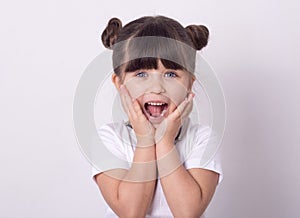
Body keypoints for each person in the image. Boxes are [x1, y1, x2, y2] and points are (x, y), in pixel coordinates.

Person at [92, 15, 223, 217]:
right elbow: (131, 212)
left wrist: (164, 140)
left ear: (189, 84)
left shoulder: (202, 139)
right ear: (120, 84)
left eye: (171, 74)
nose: (156, 87)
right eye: (141, 74)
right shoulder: (109, 138)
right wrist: (145, 140)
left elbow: (187, 213)